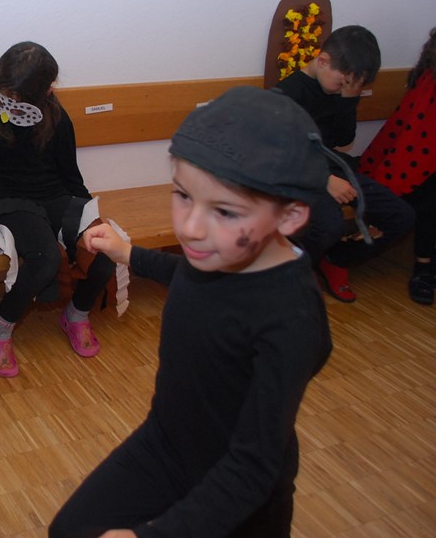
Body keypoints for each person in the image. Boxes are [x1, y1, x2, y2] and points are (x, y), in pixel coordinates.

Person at [49, 85, 340, 538]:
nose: (190, 227)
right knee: (70, 530)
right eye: (183, 195)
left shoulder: (291, 318)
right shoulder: (222, 255)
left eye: (225, 211)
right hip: (166, 444)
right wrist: (129, 253)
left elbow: (253, 466)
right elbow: (183, 273)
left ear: (289, 217)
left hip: (239, 495)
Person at [0, 41, 116, 377]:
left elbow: (70, 175)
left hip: (52, 195)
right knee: (46, 259)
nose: (9, 101)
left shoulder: (57, 118)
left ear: (46, 92)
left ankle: (76, 313)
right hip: (9, 200)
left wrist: (84, 217)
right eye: (5, 92)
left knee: (104, 250)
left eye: (18, 96)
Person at [274, 24, 415, 302]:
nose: (344, 89)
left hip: (332, 165)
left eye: (351, 86)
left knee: (401, 217)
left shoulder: (341, 91)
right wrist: (324, 180)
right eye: (343, 83)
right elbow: (281, 153)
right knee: (330, 225)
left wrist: (349, 100)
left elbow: (342, 139)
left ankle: (336, 259)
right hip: (298, 171)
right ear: (323, 61)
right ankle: (292, 269)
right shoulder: (288, 93)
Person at [359, 27, 436, 304]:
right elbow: (418, 140)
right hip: (417, 169)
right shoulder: (429, 82)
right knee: (430, 203)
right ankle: (424, 267)